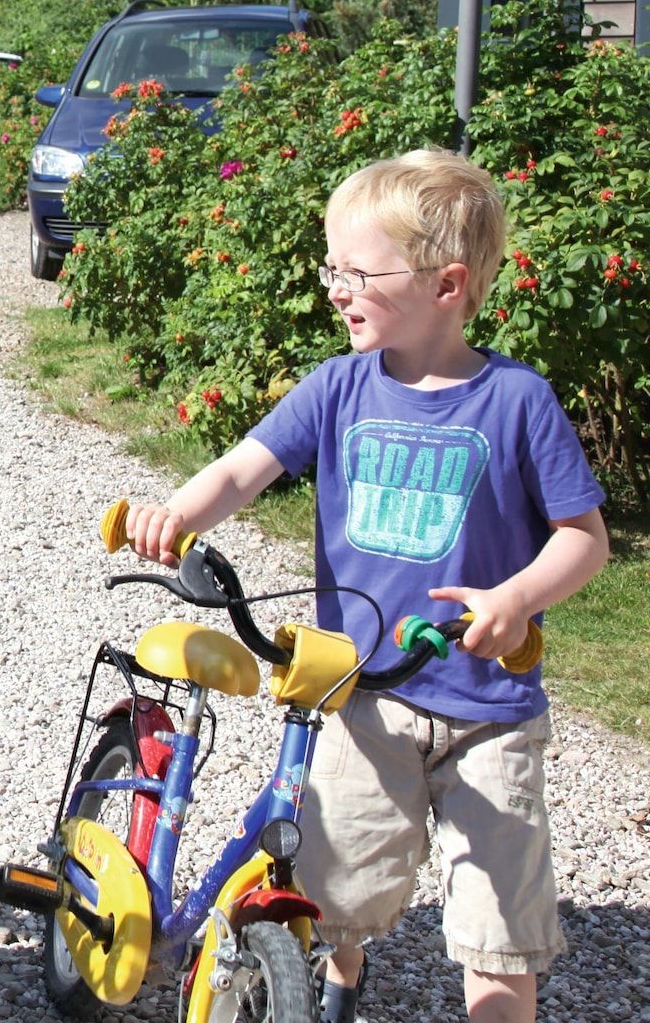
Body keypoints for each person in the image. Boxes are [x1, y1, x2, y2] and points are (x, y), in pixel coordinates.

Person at [124, 149, 608, 1023]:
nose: (335, 288)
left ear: (447, 284)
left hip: (488, 712)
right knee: (330, 887)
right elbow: (244, 469)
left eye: (357, 271)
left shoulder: (516, 401)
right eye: (330, 269)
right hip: (357, 698)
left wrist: (517, 598)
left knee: (499, 938)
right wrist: (180, 515)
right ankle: (341, 974)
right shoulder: (338, 387)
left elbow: (584, 540)